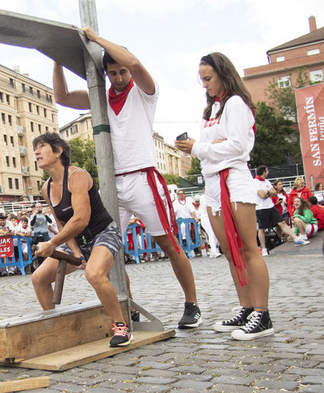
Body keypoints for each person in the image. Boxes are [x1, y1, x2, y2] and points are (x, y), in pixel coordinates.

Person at [52, 29, 201, 329]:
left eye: (121, 72)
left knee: (168, 244)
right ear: (105, 74)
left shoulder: (144, 92)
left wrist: (96, 38)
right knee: (107, 250)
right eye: (112, 73)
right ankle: (128, 307)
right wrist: (56, 60)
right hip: (111, 183)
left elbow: (133, 64)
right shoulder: (100, 97)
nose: (119, 78)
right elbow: (62, 96)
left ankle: (192, 304)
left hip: (144, 178)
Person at [176, 52, 275, 340]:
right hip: (213, 184)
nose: (204, 84)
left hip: (233, 180)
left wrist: (200, 148)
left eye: (208, 78)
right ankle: (247, 307)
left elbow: (237, 147)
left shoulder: (235, 103)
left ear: (223, 74)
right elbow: (219, 146)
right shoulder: (213, 110)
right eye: (202, 79)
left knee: (247, 248)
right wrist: (204, 147)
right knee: (230, 250)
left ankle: (263, 313)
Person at [30, 133, 131, 347]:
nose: (36, 152)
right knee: (39, 278)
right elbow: (61, 223)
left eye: (42, 147)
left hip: (103, 233)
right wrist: (75, 252)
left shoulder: (78, 176)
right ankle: (55, 329)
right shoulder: (45, 187)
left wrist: (52, 244)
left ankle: (122, 326)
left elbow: (81, 219)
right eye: (35, 149)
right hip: (76, 240)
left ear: (58, 152)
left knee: (93, 274)